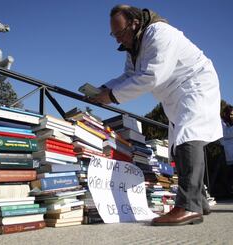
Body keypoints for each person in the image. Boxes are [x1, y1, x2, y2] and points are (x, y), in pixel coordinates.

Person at [90, 5, 222, 226]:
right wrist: (101, 89)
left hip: (194, 84)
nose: (117, 40)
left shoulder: (159, 33)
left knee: (187, 137)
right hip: (176, 93)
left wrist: (111, 95)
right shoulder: (135, 47)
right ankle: (198, 200)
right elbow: (130, 76)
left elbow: (151, 77)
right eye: (114, 35)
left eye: (120, 33)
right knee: (177, 145)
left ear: (134, 23)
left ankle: (189, 207)